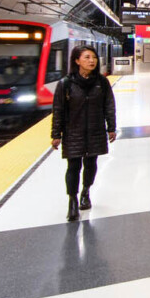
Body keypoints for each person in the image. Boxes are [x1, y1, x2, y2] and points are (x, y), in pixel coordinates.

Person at [50, 44, 117, 222]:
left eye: (93, 57)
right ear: (77, 60)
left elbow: (109, 106)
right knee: (73, 166)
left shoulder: (102, 83)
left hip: (95, 130)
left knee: (91, 164)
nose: (91, 60)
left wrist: (111, 127)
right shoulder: (65, 84)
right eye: (87, 57)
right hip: (73, 131)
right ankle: (72, 200)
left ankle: (86, 191)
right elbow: (58, 110)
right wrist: (56, 134)